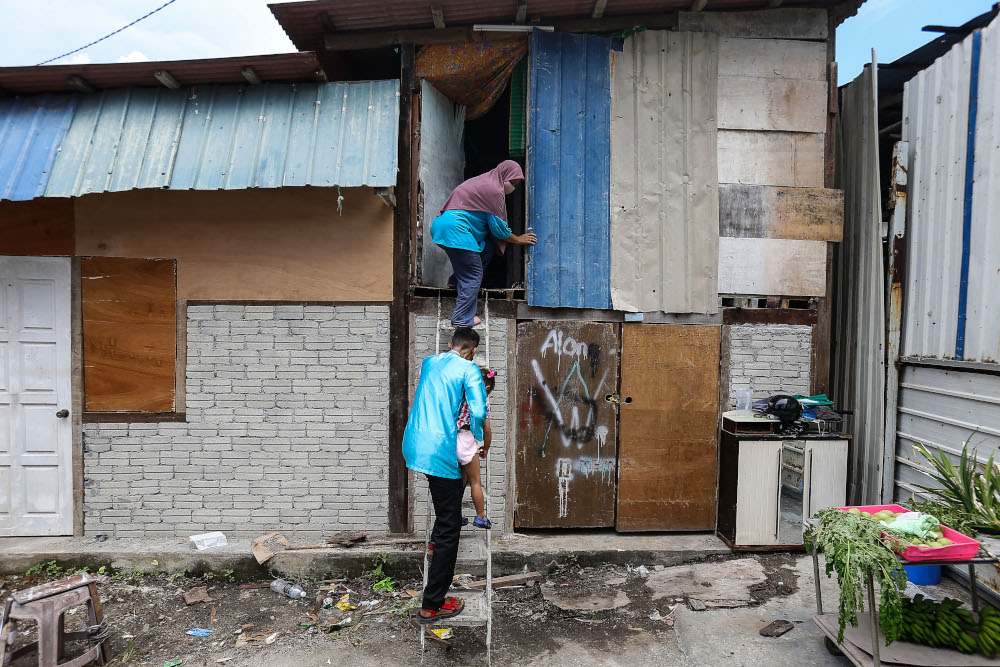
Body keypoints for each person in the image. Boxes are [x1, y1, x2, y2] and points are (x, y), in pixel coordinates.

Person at [402, 327, 487, 624]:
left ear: (450, 344)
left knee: (446, 503)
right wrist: (477, 443)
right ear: (473, 350)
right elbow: (478, 412)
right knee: (452, 525)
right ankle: (432, 605)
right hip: (442, 451)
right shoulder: (470, 370)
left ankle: (434, 542)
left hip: (416, 446)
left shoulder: (429, 362)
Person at [431, 160, 537, 328]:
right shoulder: (494, 191)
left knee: (487, 247)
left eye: (516, 185)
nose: (513, 188)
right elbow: (498, 229)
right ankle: (461, 319)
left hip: (444, 226)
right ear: (504, 176)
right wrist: (519, 239)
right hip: (456, 229)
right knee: (473, 275)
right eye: (512, 183)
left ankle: (456, 281)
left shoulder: (484, 183)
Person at [457, 366, 495, 529]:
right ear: (486, 387)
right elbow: (487, 430)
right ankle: (480, 516)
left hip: (452, 438)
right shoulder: (481, 400)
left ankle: (455, 515)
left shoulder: (460, 393)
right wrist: (485, 448)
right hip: (466, 439)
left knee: (460, 481)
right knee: (475, 482)